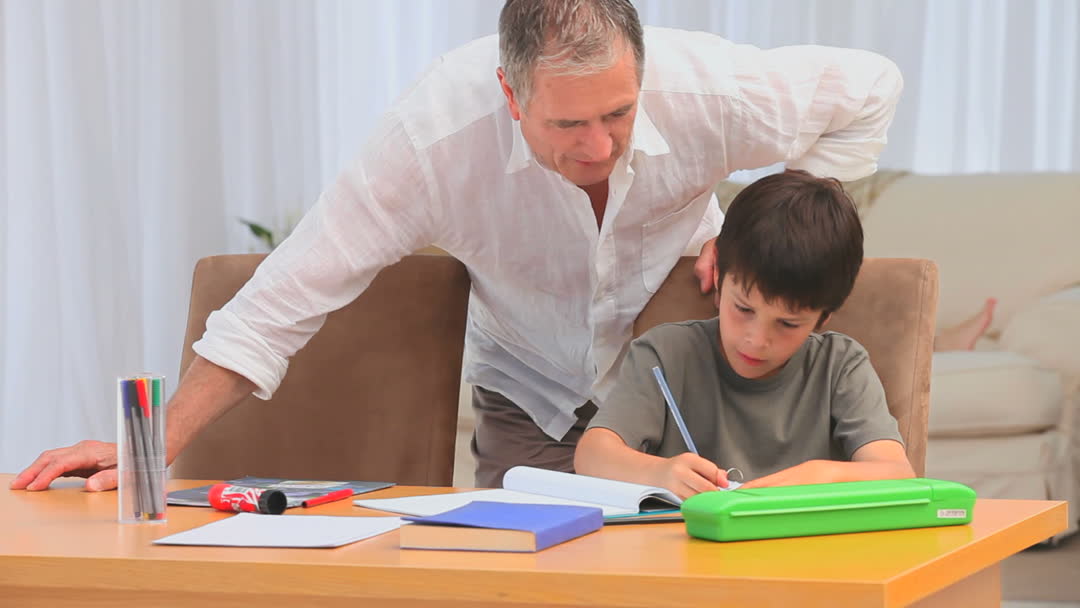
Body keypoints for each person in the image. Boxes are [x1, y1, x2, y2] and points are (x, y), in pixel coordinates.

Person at [12, 0, 904, 492]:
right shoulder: (432, 141)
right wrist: (151, 444)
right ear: (511, 97)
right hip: (533, 398)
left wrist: (754, 233)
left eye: (619, 114)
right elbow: (288, 293)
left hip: (685, 391)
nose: (599, 147)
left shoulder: (711, 91)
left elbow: (871, 88)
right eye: (567, 125)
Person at [575, 170, 915, 499]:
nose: (757, 340)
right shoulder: (665, 354)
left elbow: (898, 473)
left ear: (823, 317)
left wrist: (823, 476)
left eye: (787, 324)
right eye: (743, 309)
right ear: (718, 278)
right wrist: (659, 472)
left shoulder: (840, 366)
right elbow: (591, 455)